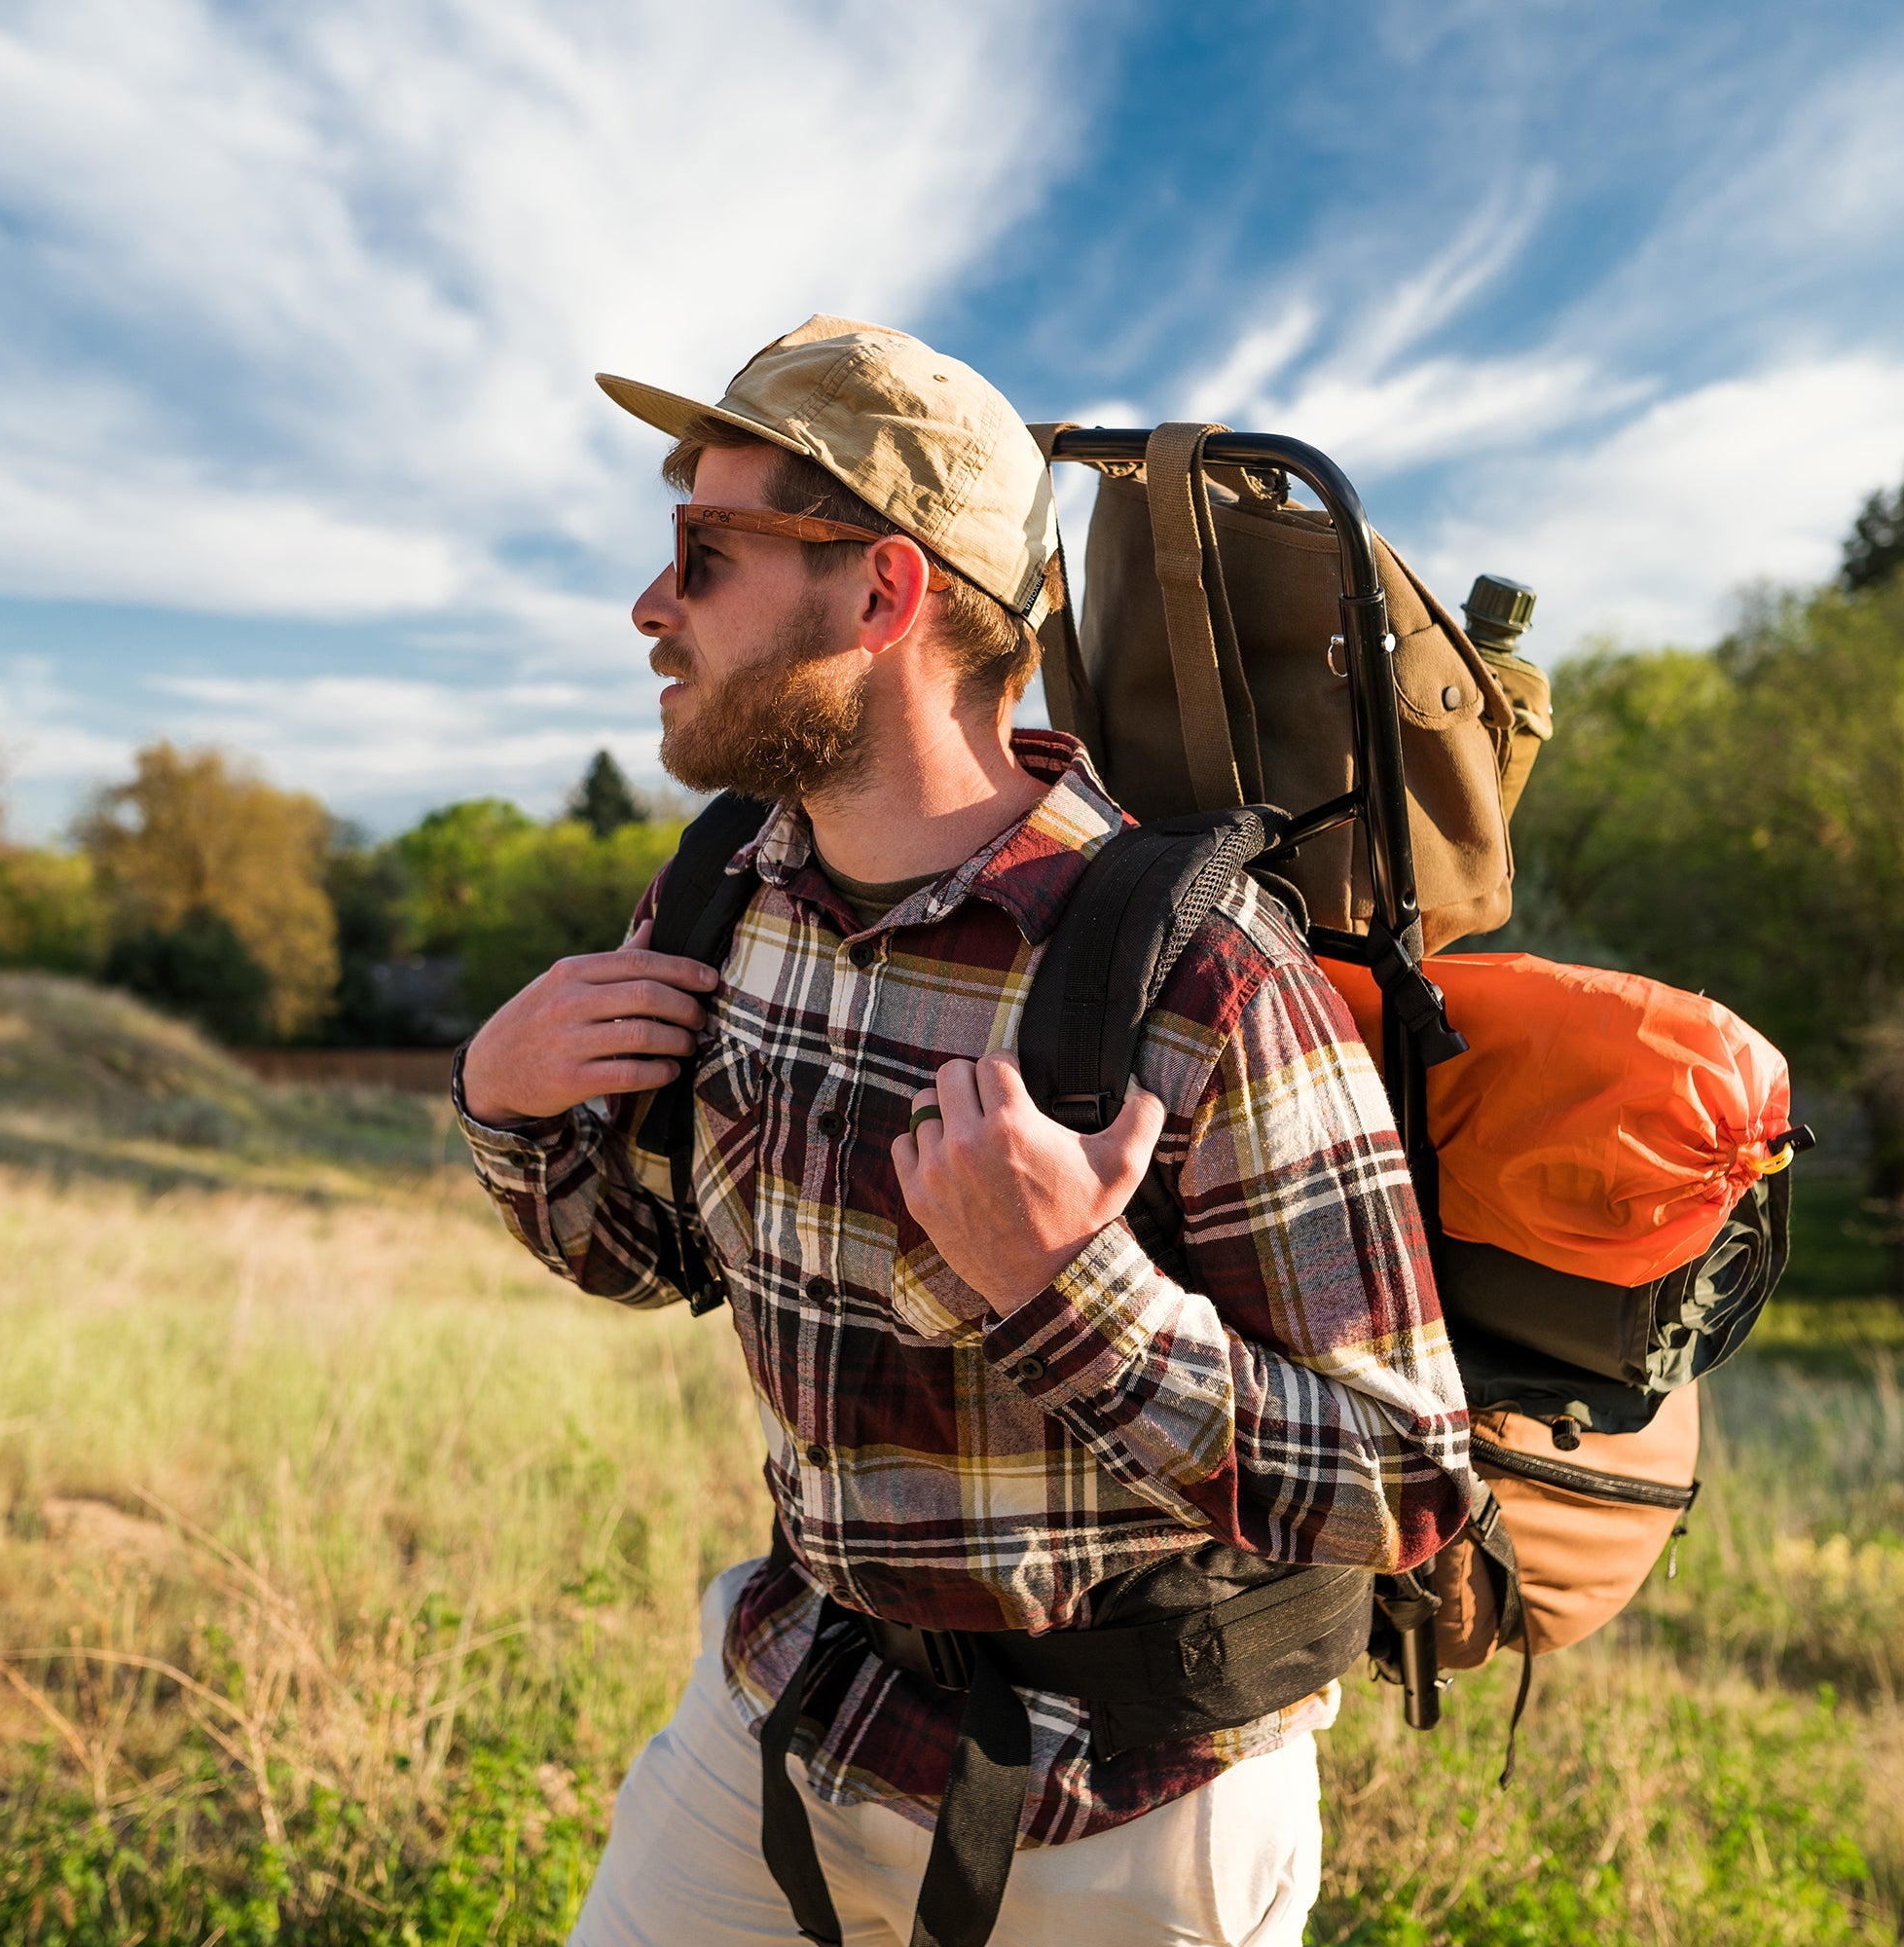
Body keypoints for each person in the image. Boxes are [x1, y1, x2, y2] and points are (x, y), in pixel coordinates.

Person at [456, 315, 1478, 1947]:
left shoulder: (1202, 976)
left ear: (883, 591)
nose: (651, 608)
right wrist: (506, 1108)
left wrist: (1071, 1293)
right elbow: (651, 1261)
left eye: (704, 553)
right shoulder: (727, 894)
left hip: (1129, 1813)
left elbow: (1411, 1489)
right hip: (796, 1712)